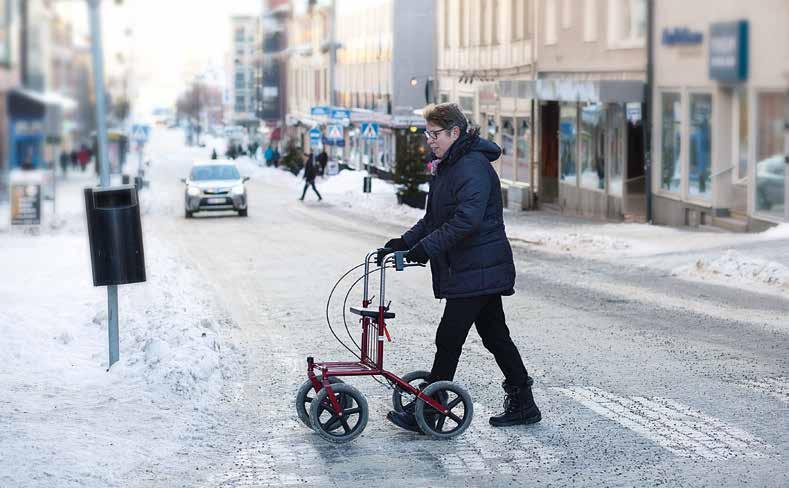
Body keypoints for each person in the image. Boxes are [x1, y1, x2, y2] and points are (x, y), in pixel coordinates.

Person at [379, 102, 541, 432]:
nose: (430, 140)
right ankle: (523, 402)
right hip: (474, 268)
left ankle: (433, 408)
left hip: (478, 266)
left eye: (435, 134)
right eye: (428, 133)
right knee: (495, 335)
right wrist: (403, 243)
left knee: (449, 336)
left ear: (455, 132)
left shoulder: (471, 167)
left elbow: (466, 221)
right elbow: (433, 220)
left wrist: (422, 251)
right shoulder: (449, 166)